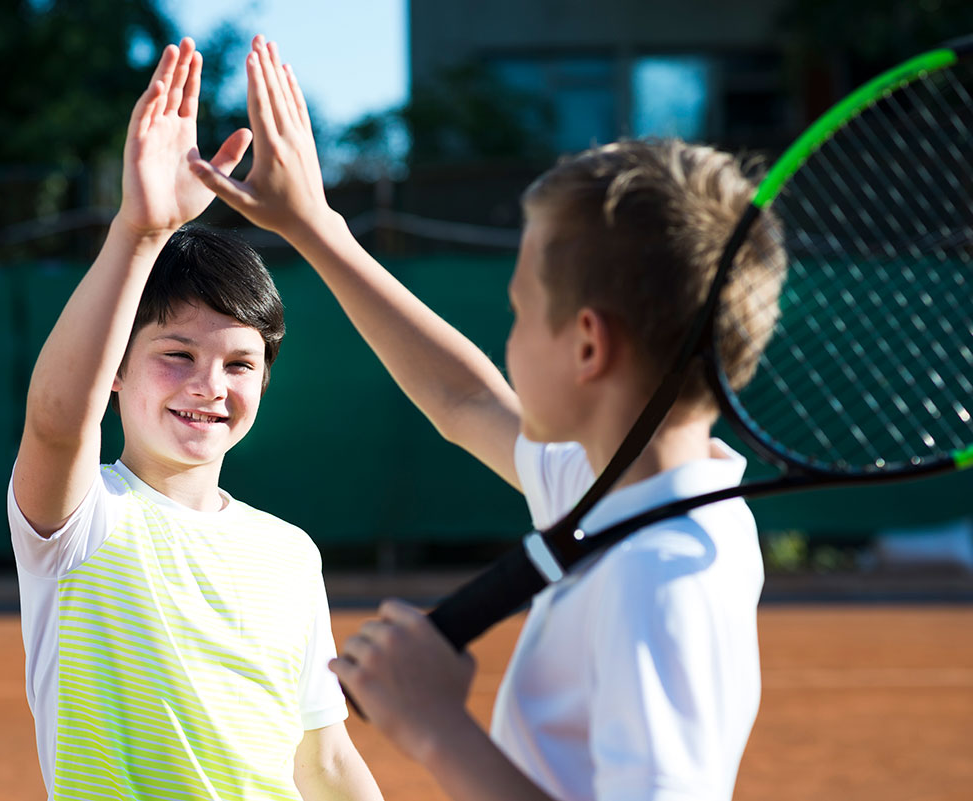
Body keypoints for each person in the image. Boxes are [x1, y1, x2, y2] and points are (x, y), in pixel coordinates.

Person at [190, 35, 785, 801]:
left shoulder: (663, 579)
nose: (506, 341)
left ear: (587, 343)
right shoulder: (623, 491)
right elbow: (463, 398)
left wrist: (438, 724)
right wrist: (316, 228)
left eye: (518, 313)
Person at [7, 38, 383, 801]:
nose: (209, 384)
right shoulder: (80, 522)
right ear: (116, 369)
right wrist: (139, 232)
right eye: (176, 354)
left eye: (239, 363)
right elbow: (55, 422)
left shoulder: (290, 553)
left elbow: (326, 759)